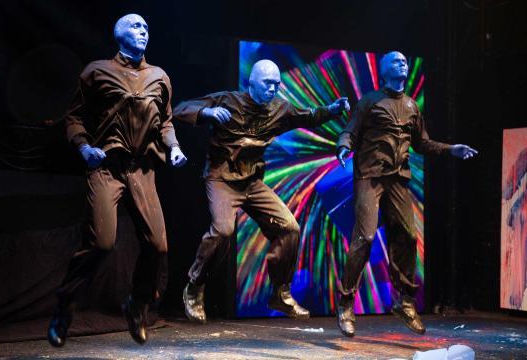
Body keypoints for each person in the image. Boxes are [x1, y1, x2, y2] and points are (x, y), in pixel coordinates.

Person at [47, 14, 187, 347]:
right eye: (136, 27)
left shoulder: (159, 76)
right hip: (106, 166)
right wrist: (84, 149)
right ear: (119, 34)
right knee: (102, 243)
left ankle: (136, 305)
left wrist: (175, 147)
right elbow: (74, 117)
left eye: (147, 28)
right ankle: (64, 307)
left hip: (142, 169)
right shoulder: (97, 71)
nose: (143, 32)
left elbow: (165, 121)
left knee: (158, 245)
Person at [174, 59, 350, 323]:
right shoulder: (228, 101)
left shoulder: (280, 109)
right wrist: (208, 114)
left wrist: (333, 110)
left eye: (277, 84)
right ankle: (195, 285)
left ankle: (280, 292)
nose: (274, 88)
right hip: (222, 178)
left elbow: (308, 116)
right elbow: (180, 109)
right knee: (223, 230)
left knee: (290, 228)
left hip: (252, 182)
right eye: (268, 83)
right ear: (252, 83)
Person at [335, 51, 478, 337]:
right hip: (370, 176)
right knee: (365, 237)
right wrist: (344, 145)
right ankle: (346, 303)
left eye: (404, 60)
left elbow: (422, 144)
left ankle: (405, 301)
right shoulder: (370, 101)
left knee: (409, 236)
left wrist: (451, 149)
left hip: (399, 179)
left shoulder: (412, 106)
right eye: (396, 61)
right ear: (385, 70)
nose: (402, 63)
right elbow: (350, 130)